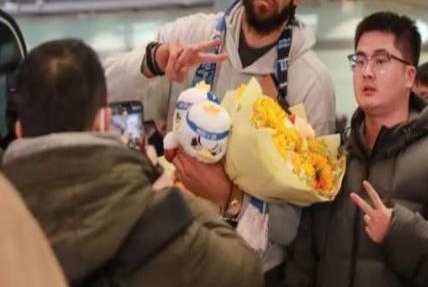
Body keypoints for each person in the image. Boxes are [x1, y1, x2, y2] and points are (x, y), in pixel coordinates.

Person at [104, 0, 336, 282]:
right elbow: (103, 90)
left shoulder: (310, 82)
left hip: (251, 272)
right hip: (174, 256)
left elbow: (300, 224)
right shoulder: (191, 36)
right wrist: (154, 60)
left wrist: (231, 197)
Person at [2, 39, 263, 287]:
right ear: (105, 121)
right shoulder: (159, 220)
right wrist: (163, 186)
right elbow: (245, 272)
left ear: (19, 130)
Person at [284, 11, 428, 287]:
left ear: (409, 76)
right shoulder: (332, 158)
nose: (366, 72)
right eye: (360, 60)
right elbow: (302, 262)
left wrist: (398, 231)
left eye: (381, 61)